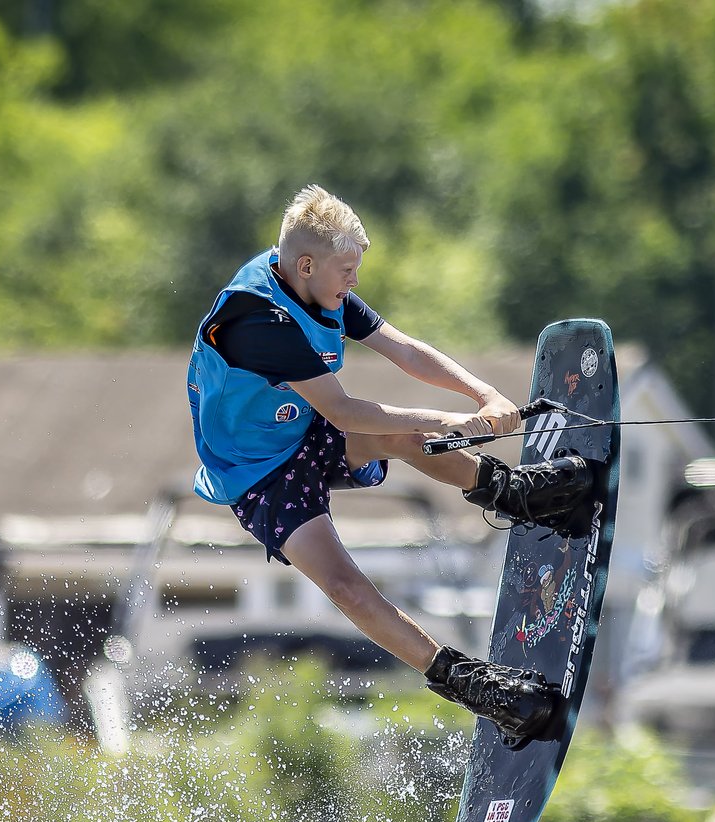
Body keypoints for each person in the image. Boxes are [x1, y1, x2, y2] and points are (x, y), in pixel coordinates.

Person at [188, 185, 594, 746]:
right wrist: (460, 425)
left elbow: (404, 350)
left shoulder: (316, 285)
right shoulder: (259, 323)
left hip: (298, 428)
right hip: (256, 474)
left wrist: (484, 396)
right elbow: (347, 412)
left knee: (405, 434)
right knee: (346, 586)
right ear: (306, 264)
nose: (354, 281)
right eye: (347, 269)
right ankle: (475, 688)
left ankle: (516, 494)